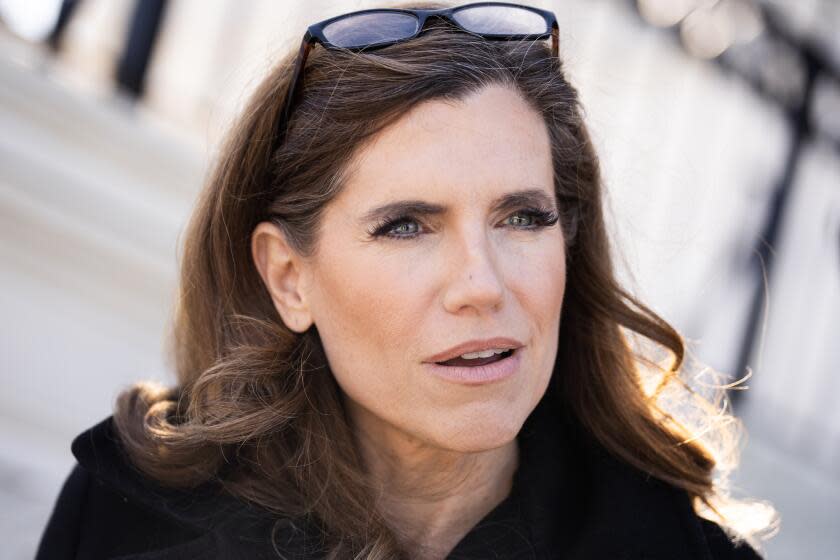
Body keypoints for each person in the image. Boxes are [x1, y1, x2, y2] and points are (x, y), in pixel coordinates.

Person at [35, 2, 778, 559]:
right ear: (289, 278)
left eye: (522, 218)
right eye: (407, 227)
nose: (481, 285)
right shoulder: (129, 514)